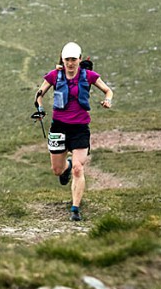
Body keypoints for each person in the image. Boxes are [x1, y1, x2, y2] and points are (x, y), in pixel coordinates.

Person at [32, 42, 113, 221]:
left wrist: (108, 100)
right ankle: (66, 166)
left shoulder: (89, 76)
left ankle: (75, 209)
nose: (70, 63)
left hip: (80, 128)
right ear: (62, 59)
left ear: (80, 59)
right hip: (58, 127)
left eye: (73, 60)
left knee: (79, 168)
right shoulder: (54, 76)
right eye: (67, 59)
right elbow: (39, 94)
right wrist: (39, 109)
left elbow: (108, 90)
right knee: (57, 170)